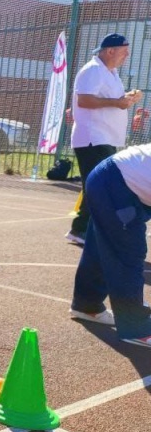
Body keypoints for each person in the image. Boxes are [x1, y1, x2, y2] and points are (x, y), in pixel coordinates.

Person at [69, 143, 151, 347]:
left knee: (101, 247)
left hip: (112, 178)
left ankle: (87, 305)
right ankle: (136, 328)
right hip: (117, 183)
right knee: (129, 253)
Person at [65, 33, 142, 246]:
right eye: (124, 51)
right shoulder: (93, 70)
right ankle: (82, 229)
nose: (126, 56)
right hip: (93, 138)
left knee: (101, 184)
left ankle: (86, 228)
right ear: (110, 51)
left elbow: (107, 99)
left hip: (104, 137)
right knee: (100, 185)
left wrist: (125, 98)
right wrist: (117, 103)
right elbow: (85, 100)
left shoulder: (110, 72)